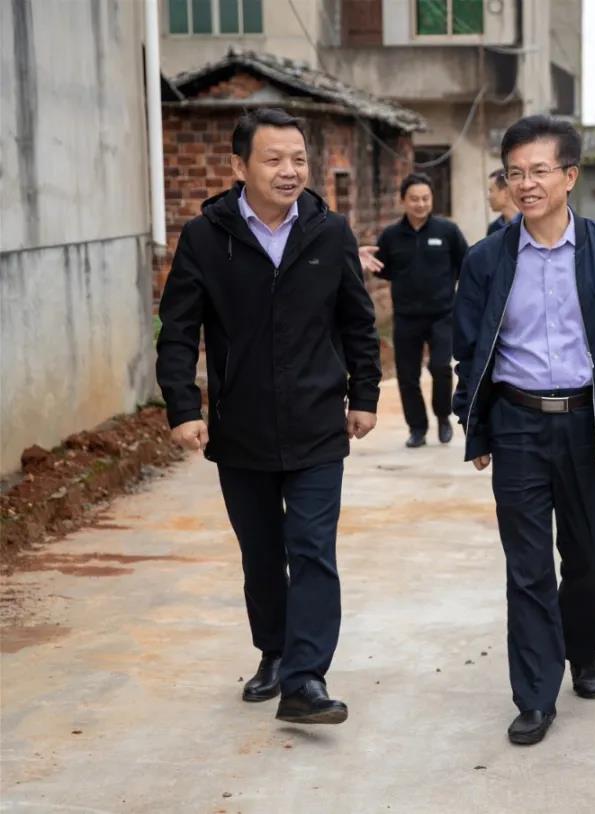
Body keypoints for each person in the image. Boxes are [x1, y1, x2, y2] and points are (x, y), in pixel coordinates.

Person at [156, 107, 381, 725]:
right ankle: (275, 653)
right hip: (242, 428)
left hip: (317, 424)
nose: (290, 171)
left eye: (299, 159)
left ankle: (306, 679)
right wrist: (183, 406)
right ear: (239, 166)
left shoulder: (329, 233)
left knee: (311, 549)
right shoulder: (206, 238)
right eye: (274, 159)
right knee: (261, 554)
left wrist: (364, 394)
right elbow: (178, 331)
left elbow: (357, 322)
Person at [453, 115, 595, 746]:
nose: (526, 184)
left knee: (590, 556)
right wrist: (475, 423)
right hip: (517, 422)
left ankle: (584, 648)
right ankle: (536, 695)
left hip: (588, 422)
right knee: (527, 567)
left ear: (570, 176)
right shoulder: (487, 259)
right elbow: (469, 347)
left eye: (540, 171)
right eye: (515, 173)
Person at [374, 173, 468, 448]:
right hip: (406, 317)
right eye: (414, 199)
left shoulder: (447, 231)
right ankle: (417, 428)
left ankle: (443, 417)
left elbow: (466, 263)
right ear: (403, 201)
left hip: (442, 314)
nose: (420, 204)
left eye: (425, 198)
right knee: (407, 376)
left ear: (432, 199)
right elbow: (381, 268)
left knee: (441, 367)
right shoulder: (391, 236)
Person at [486, 169, 519, 235]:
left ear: (506, 192)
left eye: (491, 191)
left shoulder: (530, 224)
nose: (488, 197)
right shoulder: (493, 229)